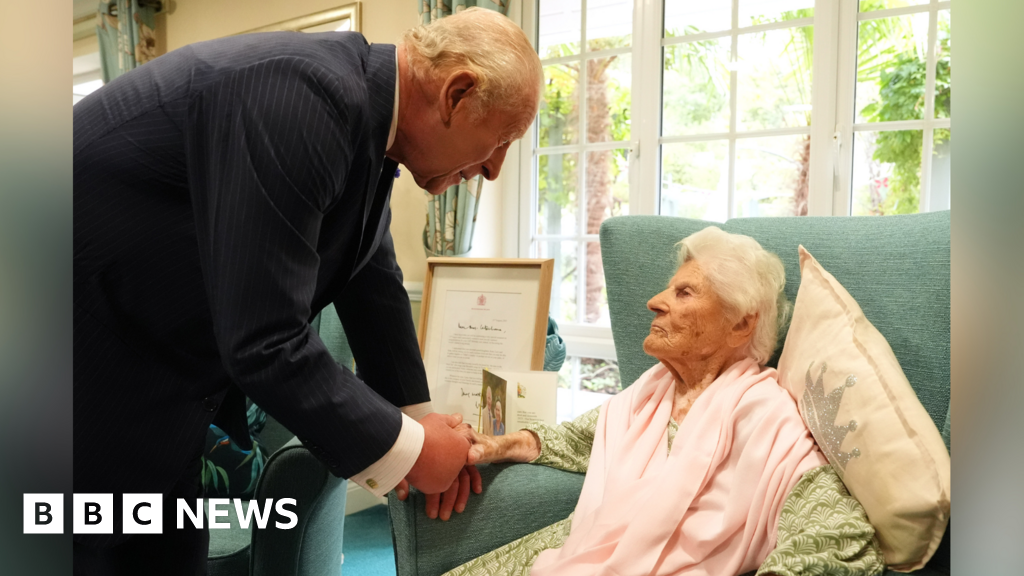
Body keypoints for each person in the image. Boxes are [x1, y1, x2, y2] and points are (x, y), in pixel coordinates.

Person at [72, 7, 541, 574]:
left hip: (155, 399)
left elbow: (372, 280)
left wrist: (420, 417)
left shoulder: (365, 122)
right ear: (457, 93)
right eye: (503, 139)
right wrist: (412, 452)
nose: (494, 170)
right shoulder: (299, 97)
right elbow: (265, 340)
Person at [447, 227, 886, 576]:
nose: (654, 302)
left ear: (740, 325)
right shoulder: (651, 393)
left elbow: (839, 532)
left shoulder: (766, 414)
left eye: (684, 293)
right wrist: (493, 445)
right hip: (587, 552)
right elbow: (577, 440)